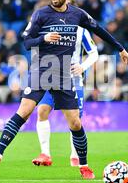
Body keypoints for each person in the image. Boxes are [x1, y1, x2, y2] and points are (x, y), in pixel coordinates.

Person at [0, 0, 128, 179]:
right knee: (24, 112)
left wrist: (120, 48)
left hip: (63, 74)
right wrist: (43, 37)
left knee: (75, 123)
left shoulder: (78, 15)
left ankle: (84, 166)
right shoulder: (40, 15)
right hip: (42, 70)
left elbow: (100, 30)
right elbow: (26, 42)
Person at [32, 24, 99, 167]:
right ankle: (45, 154)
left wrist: (82, 66)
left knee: (75, 120)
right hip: (50, 78)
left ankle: (75, 155)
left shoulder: (81, 31)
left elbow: (94, 53)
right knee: (42, 110)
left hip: (72, 79)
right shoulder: (49, 27)